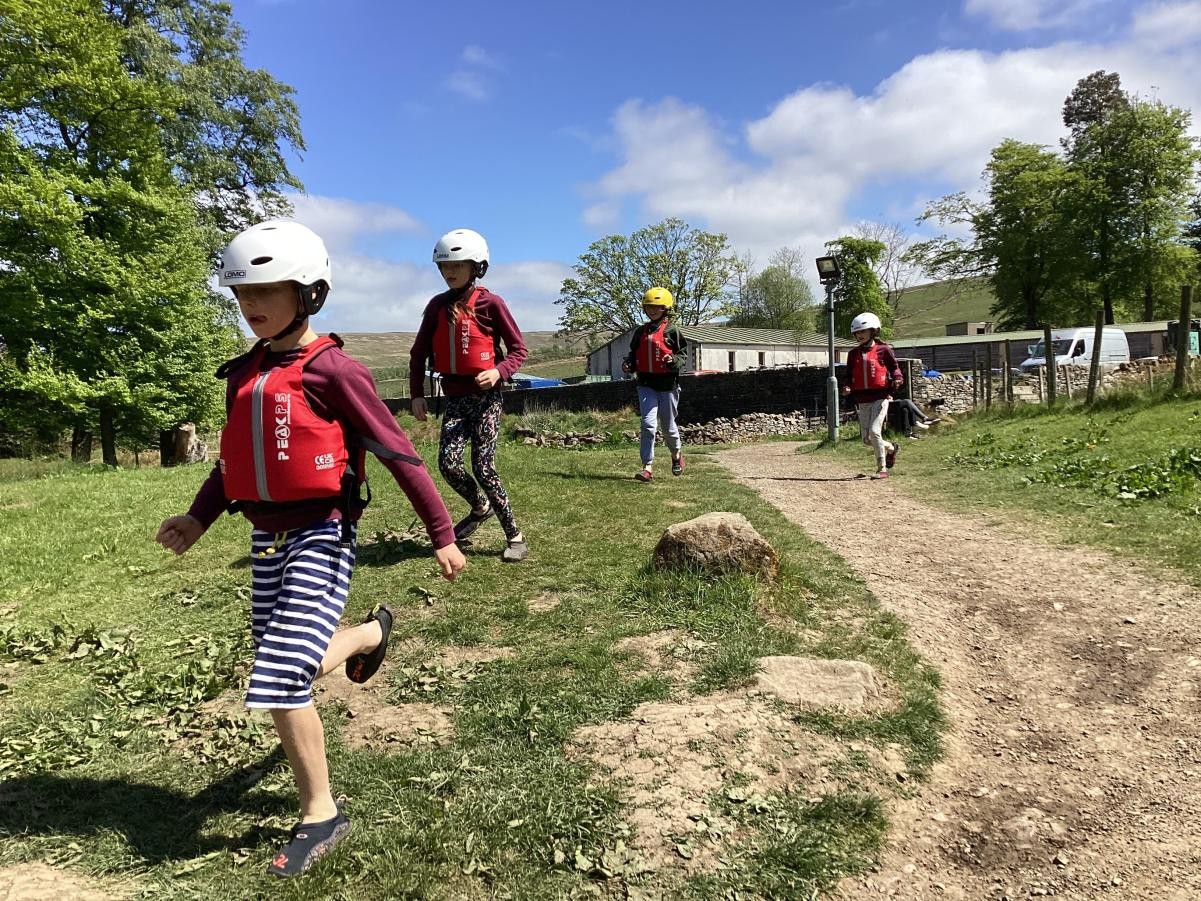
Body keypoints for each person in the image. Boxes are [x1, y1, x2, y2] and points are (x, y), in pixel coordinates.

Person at [155, 220, 466, 878]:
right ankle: (368, 635)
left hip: (322, 532)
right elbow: (234, 461)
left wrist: (441, 532)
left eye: (266, 290)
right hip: (264, 538)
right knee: (286, 663)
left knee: (277, 675)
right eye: (242, 293)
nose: (251, 304)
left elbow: (398, 453)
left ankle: (322, 813)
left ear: (309, 293)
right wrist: (198, 518)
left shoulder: (334, 370)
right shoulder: (245, 373)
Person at [409, 228, 530, 562]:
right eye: (445, 266)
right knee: (448, 465)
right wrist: (416, 394)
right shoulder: (436, 306)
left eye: (458, 265)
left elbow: (518, 350)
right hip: (455, 400)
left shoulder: (492, 304)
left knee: (483, 467)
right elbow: (418, 354)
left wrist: (499, 372)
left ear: (477, 267)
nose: (450, 272)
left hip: (487, 400)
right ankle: (480, 507)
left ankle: (515, 536)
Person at [622, 287, 688, 482]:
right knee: (648, 424)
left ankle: (676, 455)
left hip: (668, 386)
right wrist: (629, 364)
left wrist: (673, 360)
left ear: (665, 308)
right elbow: (633, 355)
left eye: (657, 307)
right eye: (649, 307)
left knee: (668, 427)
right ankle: (647, 467)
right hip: (646, 384)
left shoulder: (673, 331)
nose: (652, 310)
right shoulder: (640, 332)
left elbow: (682, 356)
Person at [840, 311, 903, 478]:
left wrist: (897, 378)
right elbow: (848, 375)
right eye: (857, 333)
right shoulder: (853, 354)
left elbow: (894, 367)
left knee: (875, 432)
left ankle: (882, 469)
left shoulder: (884, 349)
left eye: (863, 331)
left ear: (873, 331)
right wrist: (847, 387)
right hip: (862, 399)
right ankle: (892, 448)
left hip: (881, 396)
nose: (859, 335)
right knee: (867, 440)